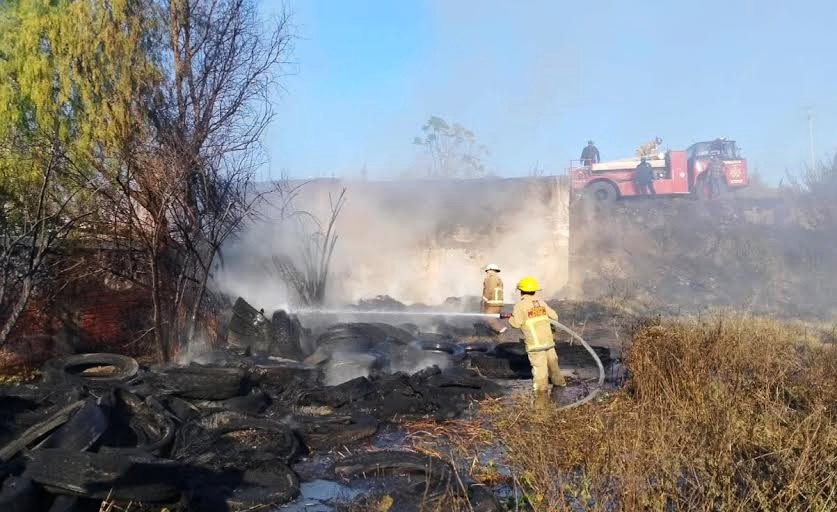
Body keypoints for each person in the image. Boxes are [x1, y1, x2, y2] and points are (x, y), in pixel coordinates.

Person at [507, 276, 566, 399]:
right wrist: (551, 330)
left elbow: (516, 323)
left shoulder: (520, 306)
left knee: (540, 371)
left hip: (536, 344)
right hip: (549, 342)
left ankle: (541, 398)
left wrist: (510, 317)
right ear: (535, 290)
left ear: (521, 291)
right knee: (554, 366)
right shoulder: (540, 302)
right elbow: (554, 316)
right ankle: (561, 388)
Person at [481, 264, 506, 334]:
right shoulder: (497, 278)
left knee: (488, 317)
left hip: (492, 302)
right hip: (497, 302)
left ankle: (502, 330)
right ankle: (492, 331)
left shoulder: (491, 277)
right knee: (488, 318)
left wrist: (484, 301)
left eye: (487, 271)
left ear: (490, 270)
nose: (487, 272)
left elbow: (489, 289)